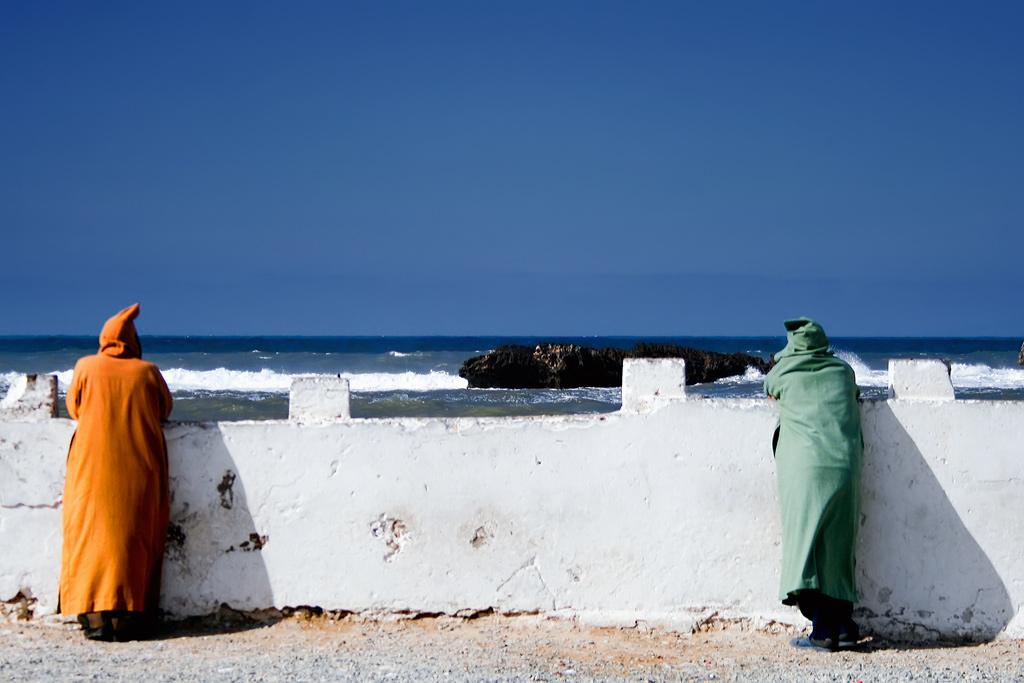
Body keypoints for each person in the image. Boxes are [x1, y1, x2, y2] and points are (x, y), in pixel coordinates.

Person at [59, 303, 173, 641]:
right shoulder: (147, 371)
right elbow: (164, 409)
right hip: (139, 468)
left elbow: (73, 407)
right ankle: (128, 617)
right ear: (132, 341)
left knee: (88, 537)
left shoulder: (85, 367)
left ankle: (93, 616)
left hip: (91, 468)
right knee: (135, 538)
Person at [764, 317, 863, 651]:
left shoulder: (783, 372)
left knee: (808, 544)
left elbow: (770, 390)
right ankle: (846, 626)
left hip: (804, 469)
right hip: (845, 467)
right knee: (838, 545)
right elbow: (855, 394)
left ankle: (822, 630)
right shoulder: (843, 371)